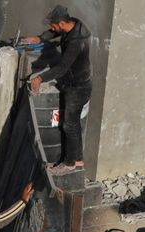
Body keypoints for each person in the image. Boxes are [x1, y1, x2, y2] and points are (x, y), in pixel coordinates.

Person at [26, 6, 92, 175]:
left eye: (54, 25)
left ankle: (69, 163)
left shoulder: (76, 42)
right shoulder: (73, 25)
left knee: (69, 125)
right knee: (75, 123)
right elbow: (55, 32)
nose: (53, 28)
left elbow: (62, 68)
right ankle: (77, 159)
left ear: (62, 23)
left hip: (77, 87)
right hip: (75, 82)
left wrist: (40, 78)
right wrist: (40, 38)